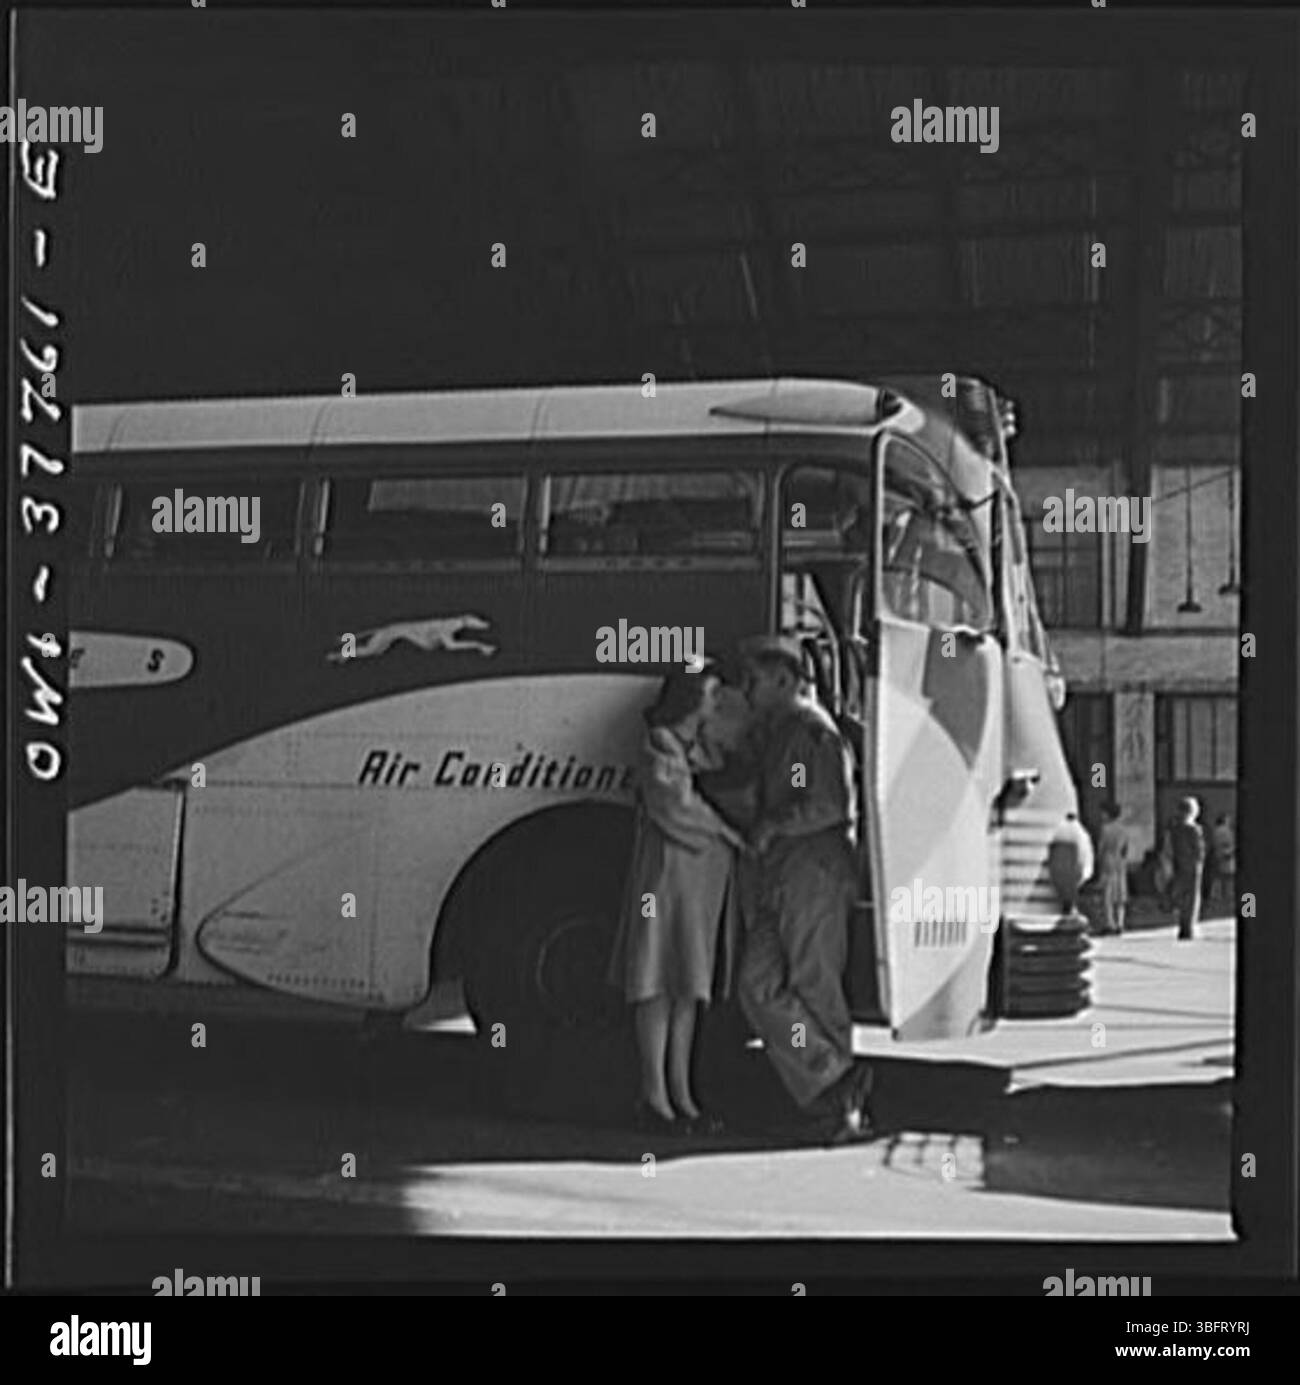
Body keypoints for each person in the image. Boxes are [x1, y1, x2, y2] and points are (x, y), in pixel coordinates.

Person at [735, 635, 873, 1143]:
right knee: (758, 985)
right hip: (782, 876)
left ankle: (838, 1102)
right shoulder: (781, 733)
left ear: (785, 681)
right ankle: (829, 1074)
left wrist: (775, 825)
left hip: (811, 873)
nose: (746, 690)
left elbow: (824, 803)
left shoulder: (809, 735)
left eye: (754, 680)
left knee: (815, 985)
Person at [608, 667, 746, 1135]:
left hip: (694, 883)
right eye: (709, 696)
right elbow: (674, 807)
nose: (714, 705)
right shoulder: (661, 745)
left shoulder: (693, 748)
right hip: (667, 876)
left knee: (685, 988)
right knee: (658, 984)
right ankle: (655, 1095)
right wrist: (723, 829)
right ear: (690, 700)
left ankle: (680, 1094)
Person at [1168, 796, 1206, 941]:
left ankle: (1182, 926)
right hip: (1193, 867)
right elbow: (1199, 851)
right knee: (1192, 898)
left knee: (1182, 897)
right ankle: (1189, 927)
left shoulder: (1175, 829)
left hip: (1179, 865)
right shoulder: (1195, 830)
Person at [1095, 802, 1129, 935]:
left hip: (1108, 862)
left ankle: (1110, 924)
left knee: (1107, 895)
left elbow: (1101, 848)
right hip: (1120, 863)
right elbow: (1125, 849)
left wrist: (1098, 861)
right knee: (1120, 895)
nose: (1101, 815)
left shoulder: (1105, 829)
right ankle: (1120, 923)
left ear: (1108, 814)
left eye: (1103, 812)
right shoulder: (1123, 829)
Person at [1211, 814, 1236, 906]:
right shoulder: (1224, 831)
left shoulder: (1216, 830)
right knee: (1228, 877)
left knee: (1222, 877)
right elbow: (1228, 842)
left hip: (1219, 854)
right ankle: (1228, 896)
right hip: (1227, 854)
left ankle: (1222, 895)